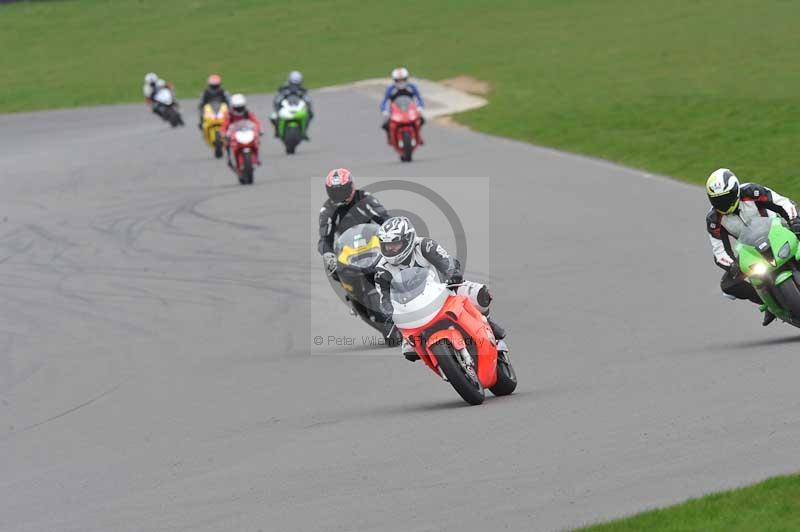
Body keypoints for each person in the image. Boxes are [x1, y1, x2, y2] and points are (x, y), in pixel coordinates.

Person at [374, 216, 507, 361]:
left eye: (395, 244)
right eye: (386, 245)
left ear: (408, 239)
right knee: (409, 350)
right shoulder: (382, 270)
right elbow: (384, 297)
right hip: (413, 309)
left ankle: (488, 323)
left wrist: (453, 273)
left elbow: (446, 261)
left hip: (446, 290)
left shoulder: (424, 245)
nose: (390, 249)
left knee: (481, 295)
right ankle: (441, 362)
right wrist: (389, 313)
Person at [705, 168, 800, 326]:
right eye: (717, 200)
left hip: (779, 232)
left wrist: (795, 220)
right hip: (752, 251)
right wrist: (733, 266)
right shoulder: (714, 219)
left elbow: (782, 202)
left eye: (726, 197)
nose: (722, 203)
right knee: (729, 285)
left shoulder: (752, 191)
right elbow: (719, 251)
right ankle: (768, 303)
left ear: (735, 190)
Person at [318, 168, 389, 279]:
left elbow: (384, 218)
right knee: (336, 274)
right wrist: (328, 255)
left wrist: (395, 233)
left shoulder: (364, 198)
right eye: (335, 192)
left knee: (394, 261)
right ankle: (353, 294)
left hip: (372, 244)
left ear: (351, 186)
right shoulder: (327, 210)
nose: (339, 195)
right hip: (347, 250)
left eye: (342, 191)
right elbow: (325, 239)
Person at [380, 67, 425, 142]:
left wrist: (419, 107)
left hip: (410, 110)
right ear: (394, 80)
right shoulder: (391, 89)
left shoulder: (412, 87)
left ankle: (418, 135)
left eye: (403, 80)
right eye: (398, 80)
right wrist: (385, 111)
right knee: (385, 124)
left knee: (421, 120)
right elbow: (384, 101)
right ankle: (389, 137)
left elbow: (418, 98)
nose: (401, 82)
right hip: (395, 111)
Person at [271, 71, 314, 140]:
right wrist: (277, 106)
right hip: (286, 106)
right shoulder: (284, 87)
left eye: (297, 81)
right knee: (273, 117)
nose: (295, 84)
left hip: (297, 106)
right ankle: (277, 131)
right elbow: (277, 98)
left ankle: (304, 132)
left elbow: (307, 98)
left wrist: (308, 104)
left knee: (310, 114)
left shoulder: (302, 89)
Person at [222, 94, 262, 165]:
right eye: (237, 108)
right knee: (226, 143)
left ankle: (256, 157)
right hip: (234, 134)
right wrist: (223, 133)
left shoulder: (248, 113)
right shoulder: (229, 115)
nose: (239, 109)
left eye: (241, 107)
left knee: (257, 141)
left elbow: (256, 122)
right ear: (233, 107)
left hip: (246, 132)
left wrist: (258, 130)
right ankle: (229, 158)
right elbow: (224, 126)